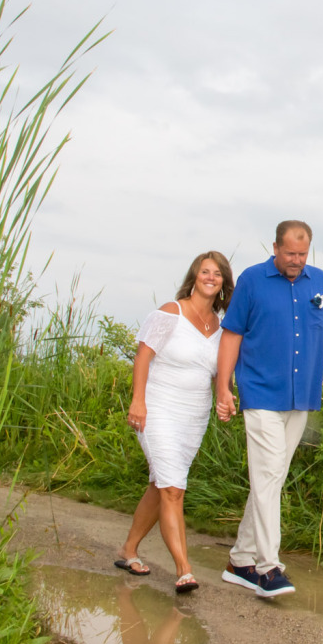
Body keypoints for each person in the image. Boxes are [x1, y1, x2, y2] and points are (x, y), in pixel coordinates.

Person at [215, 220, 323, 597]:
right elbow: (232, 335)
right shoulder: (252, 280)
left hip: (301, 395)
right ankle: (267, 567)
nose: (296, 260)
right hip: (260, 393)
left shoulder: (319, 282)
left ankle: (240, 559)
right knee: (270, 474)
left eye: (302, 254)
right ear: (275, 247)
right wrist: (223, 387)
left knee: (271, 476)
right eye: (290, 253)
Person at [115, 251, 234, 594]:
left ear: (224, 282)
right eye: (204, 271)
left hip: (193, 416)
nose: (210, 277)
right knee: (173, 488)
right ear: (194, 276)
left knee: (163, 483)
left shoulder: (222, 325)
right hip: (158, 408)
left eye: (217, 273)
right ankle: (184, 570)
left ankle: (128, 551)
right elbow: (143, 357)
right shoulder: (170, 312)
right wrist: (138, 401)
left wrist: (224, 396)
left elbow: (216, 375)